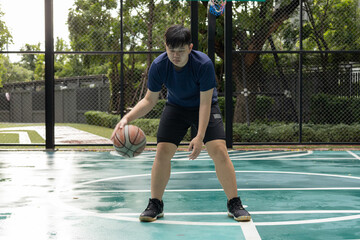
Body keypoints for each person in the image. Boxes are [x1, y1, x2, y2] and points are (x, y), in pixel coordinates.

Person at [111, 24, 251, 222]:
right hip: (176, 107)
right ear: (165, 47)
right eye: (171, 50)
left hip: (205, 106)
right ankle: (155, 204)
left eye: (180, 51)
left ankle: (234, 203)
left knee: (219, 149)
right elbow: (149, 100)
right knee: (162, 151)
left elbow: (204, 103)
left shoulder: (203, 64)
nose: (175, 55)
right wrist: (126, 118)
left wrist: (200, 136)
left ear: (190, 47)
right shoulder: (159, 65)